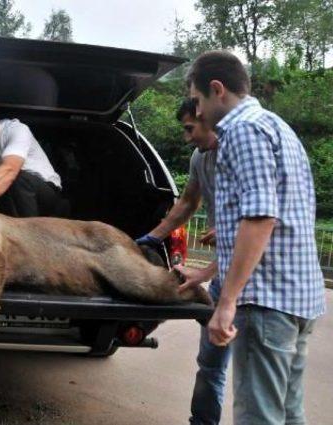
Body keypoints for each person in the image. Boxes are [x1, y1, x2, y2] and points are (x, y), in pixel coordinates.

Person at [186, 51, 326, 424]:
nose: (197, 113)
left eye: (197, 102)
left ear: (217, 90)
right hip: (298, 296)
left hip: (266, 300)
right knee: (288, 412)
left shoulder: (242, 130)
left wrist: (227, 301)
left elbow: (261, 218)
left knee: (258, 416)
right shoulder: (276, 125)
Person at [136, 98, 229, 425]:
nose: (187, 137)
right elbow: (188, 200)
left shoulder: (242, 152)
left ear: (209, 118)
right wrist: (154, 236)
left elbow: (259, 225)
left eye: (191, 128)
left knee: (257, 381)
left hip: (259, 285)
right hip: (225, 277)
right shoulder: (199, 157)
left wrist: (208, 266)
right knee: (211, 365)